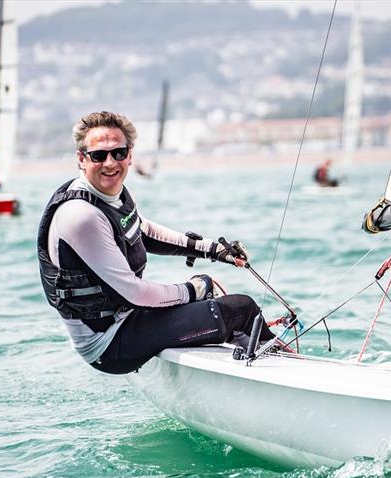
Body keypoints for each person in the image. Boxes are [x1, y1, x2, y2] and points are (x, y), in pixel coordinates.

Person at [37, 110, 282, 375]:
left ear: (130, 155)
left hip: (127, 321)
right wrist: (193, 290)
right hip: (109, 344)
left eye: (118, 153)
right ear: (81, 159)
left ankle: (250, 358)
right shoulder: (81, 215)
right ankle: (283, 373)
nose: (110, 163)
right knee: (242, 309)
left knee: (212, 294)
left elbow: (142, 230)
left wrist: (211, 249)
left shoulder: (111, 194)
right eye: (99, 155)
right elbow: (134, 294)